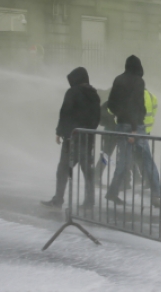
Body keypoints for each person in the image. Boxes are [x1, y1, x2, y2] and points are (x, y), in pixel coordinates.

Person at [105, 55, 161, 208]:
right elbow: (135, 105)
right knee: (147, 160)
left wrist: (119, 115)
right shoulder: (138, 81)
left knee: (123, 161)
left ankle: (112, 192)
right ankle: (156, 195)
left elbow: (111, 103)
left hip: (121, 125)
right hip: (136, 127)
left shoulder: (118, 80)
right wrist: (135, 129)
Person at [41, 67, 101, 209]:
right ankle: (89, 201)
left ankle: (58, 199)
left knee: (63, 169)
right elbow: (97, 117)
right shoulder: (94, 94)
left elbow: (65, 113)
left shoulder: (72, 92)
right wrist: (90, 131)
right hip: (87, 139)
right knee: (88, 171)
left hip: (72, 139)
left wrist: (60, 132)